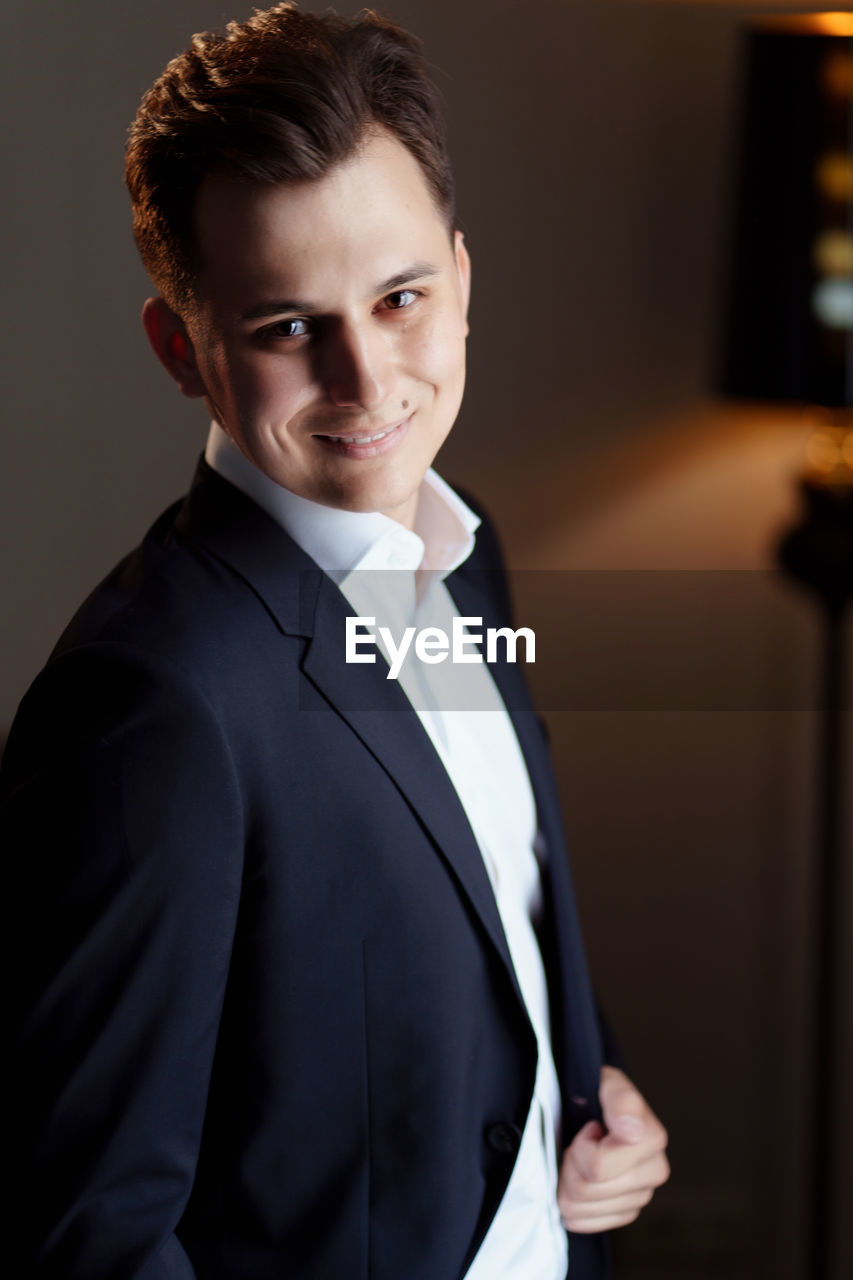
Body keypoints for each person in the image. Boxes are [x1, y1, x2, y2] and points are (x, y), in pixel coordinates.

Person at [0, 4, 669, 1277]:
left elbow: (491, 934)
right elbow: (86, 1232)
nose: (368, 382)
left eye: (401, 297)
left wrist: (589, 1109)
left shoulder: (471, 563)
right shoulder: (152, 704)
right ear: (180, 349)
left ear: (462, 283)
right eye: (288, 327)